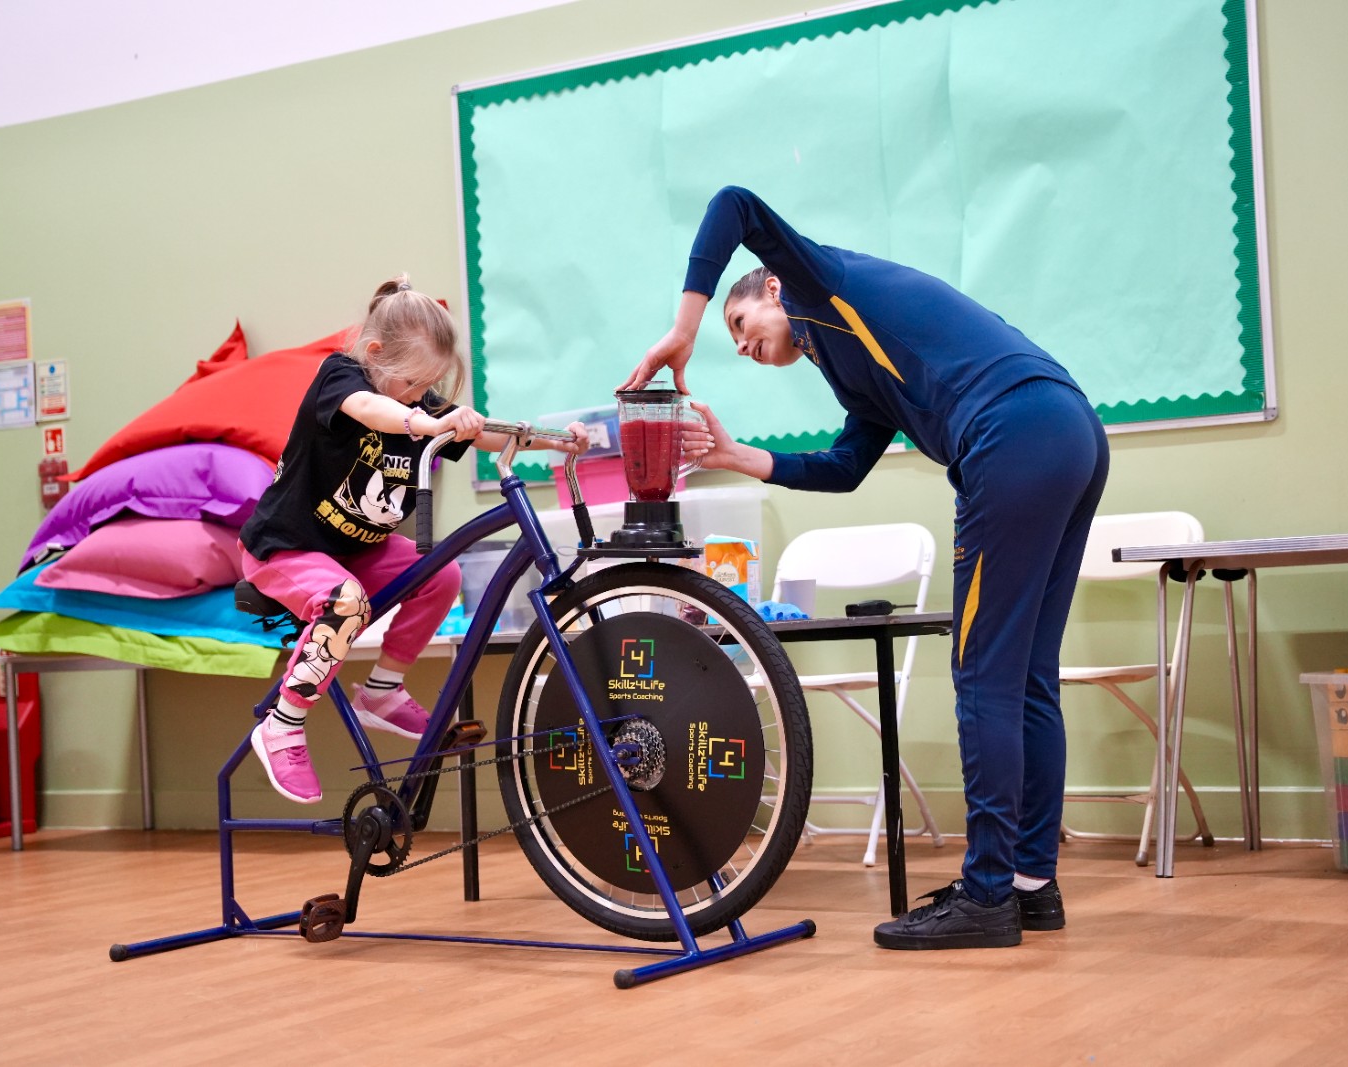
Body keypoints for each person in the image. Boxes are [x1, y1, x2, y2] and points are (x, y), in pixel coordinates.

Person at [624, 186, 1109, 950]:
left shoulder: (821, 283)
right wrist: (738, 457)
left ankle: (987, 896)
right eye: (731, 341)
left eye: (740, 324)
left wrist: (682, 328)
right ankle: (1028, 885)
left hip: (1012, 435)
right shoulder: (851, 362)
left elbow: (734, 205)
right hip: (1070, 429)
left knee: (983, 676)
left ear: (774, 287)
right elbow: (847, 465)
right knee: (1025, 678)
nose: (741, 346)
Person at [240, 275, 587, 805]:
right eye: (411, 383)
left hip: (357, 551)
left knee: (440, 573)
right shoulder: (342, 377)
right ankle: (282, 724)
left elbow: (486, 435)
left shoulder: (418, 405)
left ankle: (382, 691)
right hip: (285, 546)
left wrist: (553, 442)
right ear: (375, 354)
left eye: (428, 386)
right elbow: (369, 409)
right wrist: (420, 422)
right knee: (345, 602)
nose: (418, 395)